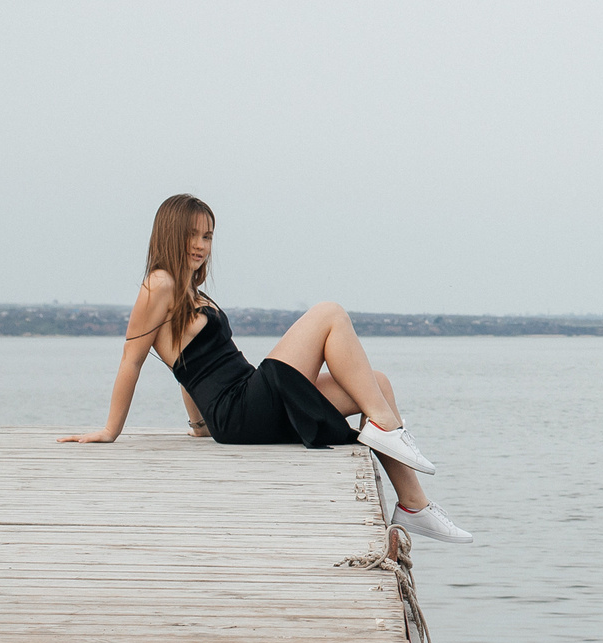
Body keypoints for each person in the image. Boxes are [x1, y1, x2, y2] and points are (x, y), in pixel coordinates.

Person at [61, 192, 473, 544]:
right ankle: (388, 428)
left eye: (207, 235)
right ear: (169, 233)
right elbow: (131, 360)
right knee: (329, 313)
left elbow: (185, 369)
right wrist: (110, 431)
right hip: (240, 409)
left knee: (377, 383)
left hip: (239, 405)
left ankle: (414, 505)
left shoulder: (189, 291)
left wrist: (199, 425)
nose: (201, 244)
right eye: (191, 234)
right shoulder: (159, 284)